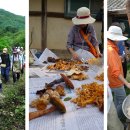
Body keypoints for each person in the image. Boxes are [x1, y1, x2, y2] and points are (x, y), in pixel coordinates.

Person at [107, 26, 130, 121]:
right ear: (115, 39)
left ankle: (115, 115)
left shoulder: (109, 47)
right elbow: (116, 72)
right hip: (116, 82)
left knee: (117, 100)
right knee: (122, 100)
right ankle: (120, 119)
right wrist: (127, 83)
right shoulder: (111, 51)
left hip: (111, 81)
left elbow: (111, 63)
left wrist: (118, 58)